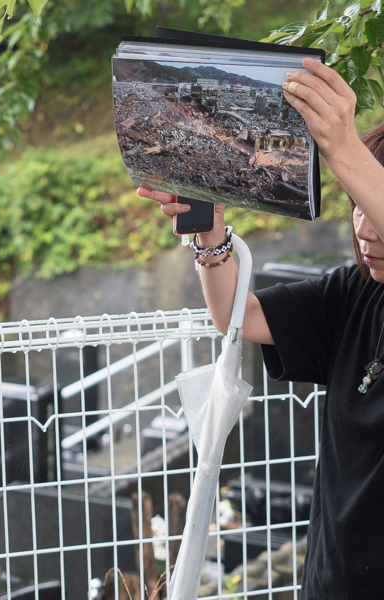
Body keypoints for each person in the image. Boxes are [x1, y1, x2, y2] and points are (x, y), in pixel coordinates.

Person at [139, 58, 384, 598]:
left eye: (370, 202)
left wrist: (342, 146)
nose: (363, 228)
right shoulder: (356, 292)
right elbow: (238, 317)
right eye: (354, 208)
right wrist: (208, 231)